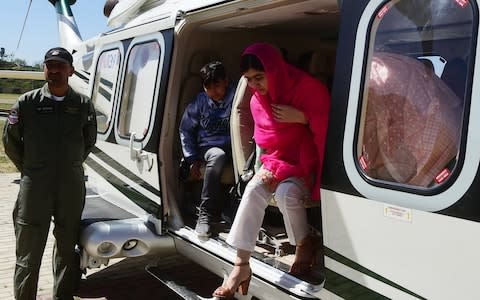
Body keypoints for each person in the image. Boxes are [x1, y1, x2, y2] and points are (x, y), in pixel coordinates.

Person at [213, 43, 330, 299]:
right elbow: (268, 143)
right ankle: (241, 265)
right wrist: (266, 168)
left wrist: (304, 118)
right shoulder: (257, 102)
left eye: (259, 77)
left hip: (309, 162)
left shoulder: (309, 90)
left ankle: (304, 244)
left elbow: (331, 132)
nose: (255, 86)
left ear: (275, 70)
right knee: (254, 188)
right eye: (248, 80)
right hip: (279, 161)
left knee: (288, 193)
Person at [2, 47, 97, 300]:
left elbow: (89, 141)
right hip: (36, 186)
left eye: (60, 65)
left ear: (71, 70)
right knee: (28, 253)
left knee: (67, 249)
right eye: (49, 65)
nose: (54, 70)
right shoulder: (27, 103)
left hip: (70, 185)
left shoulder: (83, 104)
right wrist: (32, 167)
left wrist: (69, 164)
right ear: (44, 68)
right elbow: (10, 142)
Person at [179, 61, 236, 237]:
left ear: (226, 81)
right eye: (208, 87)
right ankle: (205, 215)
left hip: (234, 146)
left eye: (217, 85)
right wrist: (192, 158)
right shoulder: (200, 102)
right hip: (209, 147)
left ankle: (232, 208)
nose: (213, 92)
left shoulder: (236, 95)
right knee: (217, 156)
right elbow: (186, 129)